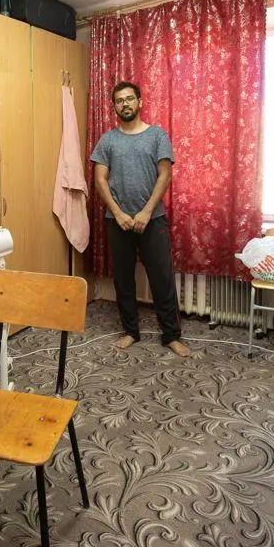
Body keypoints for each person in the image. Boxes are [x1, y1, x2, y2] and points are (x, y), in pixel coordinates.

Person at [90, 81, 190, 357]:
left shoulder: (157, 135)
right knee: (124, 281)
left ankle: (171, 335)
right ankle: (130, 331)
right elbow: (100, 180)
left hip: (153, 219)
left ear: (140, 102)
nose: (125, 104)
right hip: (118, 221)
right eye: (119, 100)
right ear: (114, 106)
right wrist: (118, 213)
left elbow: (165, 175)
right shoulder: (107, 141)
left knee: (162, 279)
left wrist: (146, 212)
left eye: (129, 99)